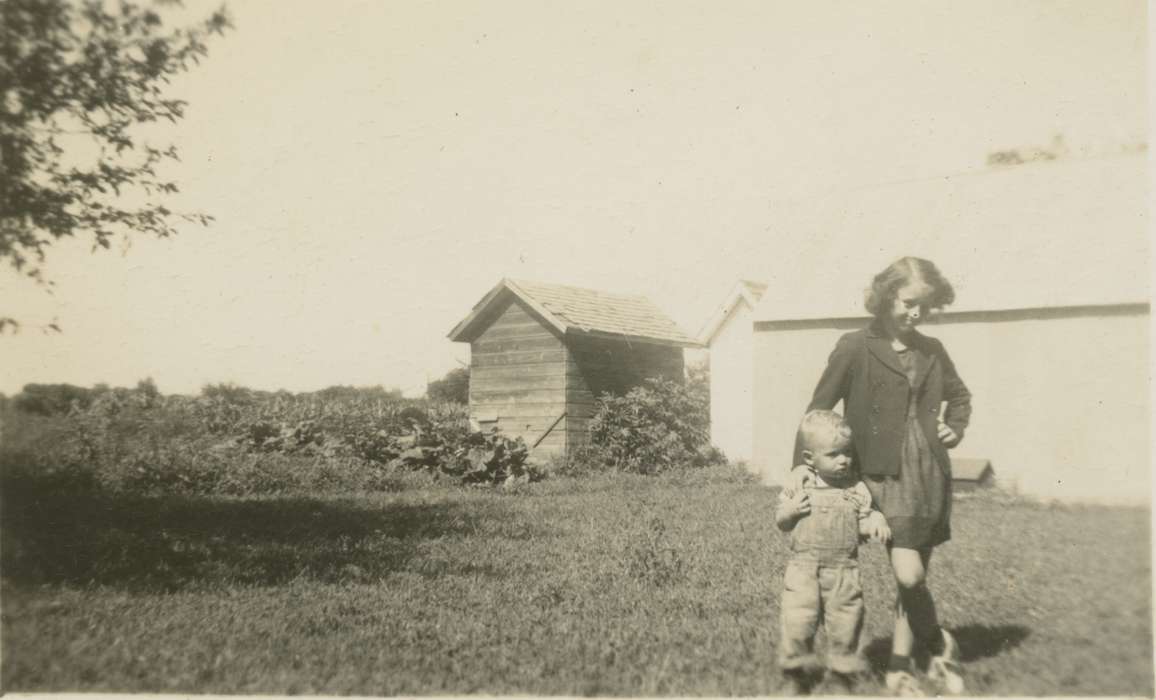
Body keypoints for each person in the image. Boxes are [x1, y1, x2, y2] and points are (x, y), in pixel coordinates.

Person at [790, 256, 972, 696]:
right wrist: (801, 464)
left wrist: (955, 427)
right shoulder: (854, 345)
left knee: (909, 576)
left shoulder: (932, 350)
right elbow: (819, 407)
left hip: (924, 472)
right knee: (832, 578)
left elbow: (960, 397)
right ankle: (935, 643)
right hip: (866, 475)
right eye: (909, 303)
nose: (916, 314)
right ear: (888, 296)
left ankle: (900, 666)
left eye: (925, 308)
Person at [776, 409, 891, 695]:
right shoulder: (799, 486)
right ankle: (795, 674)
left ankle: (842, 676)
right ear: (809, 459)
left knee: (846, 624)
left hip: (844, 571)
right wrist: (790, 511)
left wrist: (875, 520)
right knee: (797, 622)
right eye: (834, 454)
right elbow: (782, 522)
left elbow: (864, 518)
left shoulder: (856, 489)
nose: (844, 461)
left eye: (847, 453)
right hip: (803, 570)